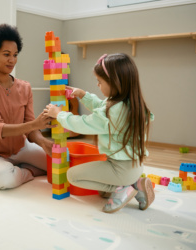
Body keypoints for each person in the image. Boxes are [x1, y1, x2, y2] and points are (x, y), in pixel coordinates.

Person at [44, 53, 155, 213]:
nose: (97, 85)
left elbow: (83, 124)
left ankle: (124, 188)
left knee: (72, 176)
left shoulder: (113, 112)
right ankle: (134, 183)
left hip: (120, 169)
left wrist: (59, 114)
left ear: (115, 83)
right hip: (134, 166)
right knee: (102, 191)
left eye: (100, 82)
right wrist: (83, 95)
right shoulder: (130, 103)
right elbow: (101, 107)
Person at [0, 23, 55, 190]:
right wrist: (36, 124)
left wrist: (43, 141)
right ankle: (29, 172)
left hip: (21, 149)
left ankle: (20, 169)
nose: (12, 60)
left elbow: (32, 130)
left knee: (60, 165)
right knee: (5, 179)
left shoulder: (25, 87)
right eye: (6, 54)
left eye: (15, 55)